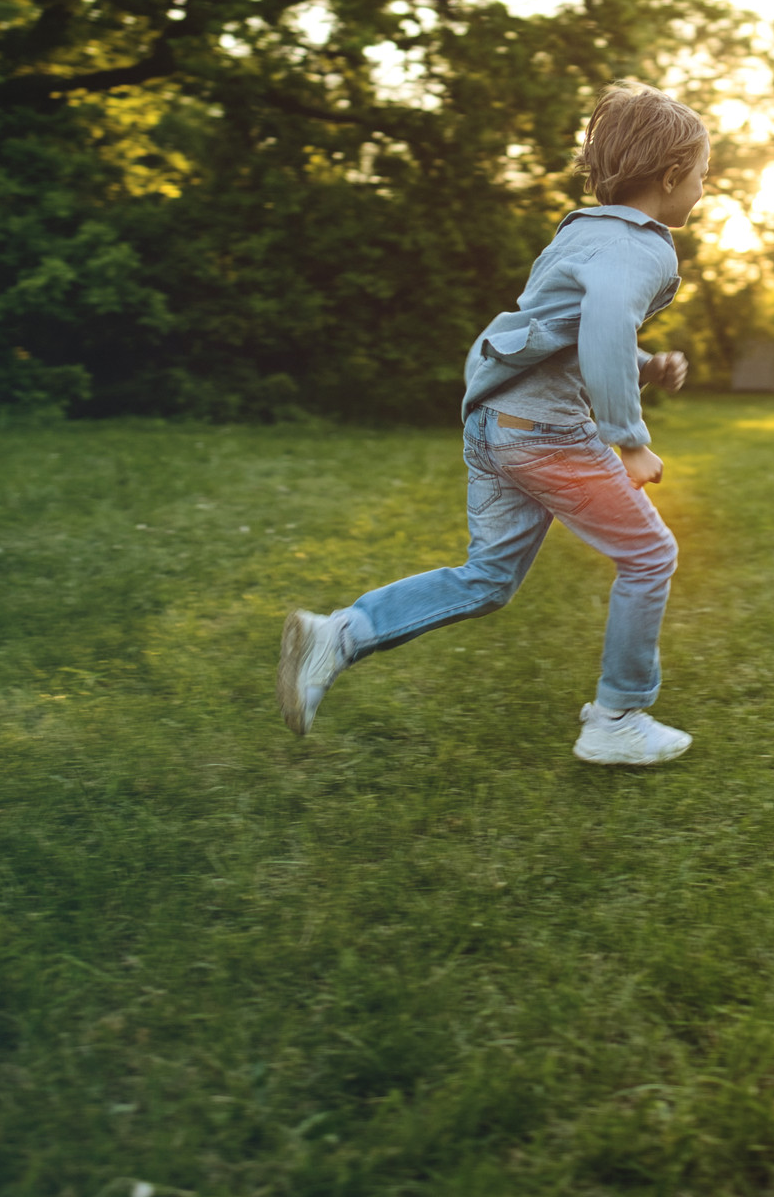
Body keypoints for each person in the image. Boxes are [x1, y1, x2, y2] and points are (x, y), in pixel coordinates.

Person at [278, 83, 708, 764]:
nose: (701, 193)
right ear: (670, 175)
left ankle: (340, 634)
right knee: (650, 555)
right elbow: (600, 323)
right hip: (546, 435)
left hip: (496, 425)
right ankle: (618, 716)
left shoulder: (583, 231)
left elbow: (568, 326)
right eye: (702, 177)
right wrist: (629, 438)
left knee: (488, 579)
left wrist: (645, 362)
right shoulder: (644, 248)